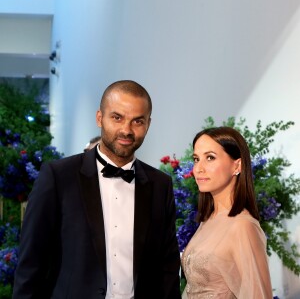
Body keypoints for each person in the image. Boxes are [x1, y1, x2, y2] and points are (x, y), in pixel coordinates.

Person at [13, 80, 181, 299]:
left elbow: (166, 268)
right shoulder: (58, 176)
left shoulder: (160, 185)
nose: (126, 130)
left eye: (137, 121)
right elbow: (31, 262)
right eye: (117, 117)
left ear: (148, 124)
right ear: (99, 118)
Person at [181, 127, 273, 299]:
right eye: (196, 159)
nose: (198, 168)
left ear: (237, 165)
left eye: (210, 158)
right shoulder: (208, 220)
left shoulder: (243, 226)